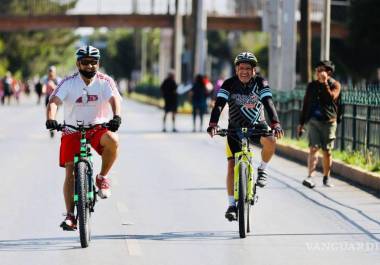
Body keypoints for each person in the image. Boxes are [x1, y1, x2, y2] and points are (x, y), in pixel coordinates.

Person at [45, 45, 122, 231]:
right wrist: (51, 119)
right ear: (78, 63)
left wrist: (116, 116)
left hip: (97, 127)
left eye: (93, 62)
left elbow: (114, 99)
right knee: (70, 171)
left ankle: (102, 177)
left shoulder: (105, 81)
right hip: (72, 129)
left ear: (98, 63)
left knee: (113, 140)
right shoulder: (68, 82)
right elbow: (54, 102)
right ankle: (71, 215)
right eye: (85, 62)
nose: (89, 66)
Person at [207, 51, 284, 221]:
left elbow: (268, 103)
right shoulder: (228, 84)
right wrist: (213, 123)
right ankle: (231, 205)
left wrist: (275, 124)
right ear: (236, 69)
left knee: (271, 140)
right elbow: (219, 105)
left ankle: (262, 169)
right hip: (234, 129)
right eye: (241, 68)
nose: (244, 71)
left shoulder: (261, 83)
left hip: (257, 126)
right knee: (231, 165)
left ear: (254, 70)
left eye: (248, 68)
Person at [297, 60, 341, 189]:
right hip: (314, 121)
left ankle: (326, 177)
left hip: (329, 122)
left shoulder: (335, 85)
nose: (318, 72)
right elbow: (306, 104)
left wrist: (325, 83)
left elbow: (331, 98)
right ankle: (310, 176)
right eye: (317, 70)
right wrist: (301, 122)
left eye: (321, 70)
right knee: (313, 148)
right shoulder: (312, 86)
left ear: (328, 72)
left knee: (327, 151)